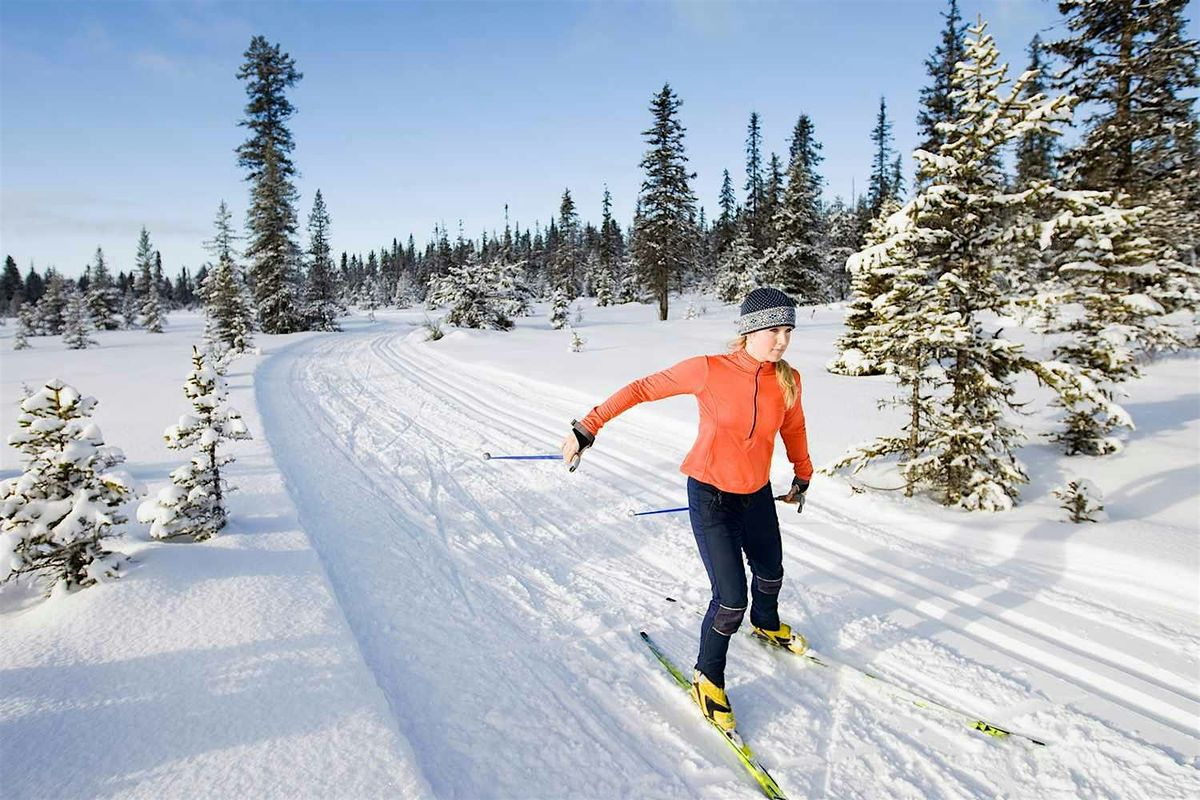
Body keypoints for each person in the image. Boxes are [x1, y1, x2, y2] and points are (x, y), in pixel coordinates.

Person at [561, 287, 813, 735]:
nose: (782, 340)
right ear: (750, 330)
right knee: (730, 598)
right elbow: (641, 389)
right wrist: (587, 427)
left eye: (788, 330)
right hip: (711, 495)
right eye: (774, 329)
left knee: (771, 573)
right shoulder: (709, 370)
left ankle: (767, 623)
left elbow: (794, 426)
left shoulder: (787, 379)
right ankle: (707, 677)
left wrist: (802, 474)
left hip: (756, 494)